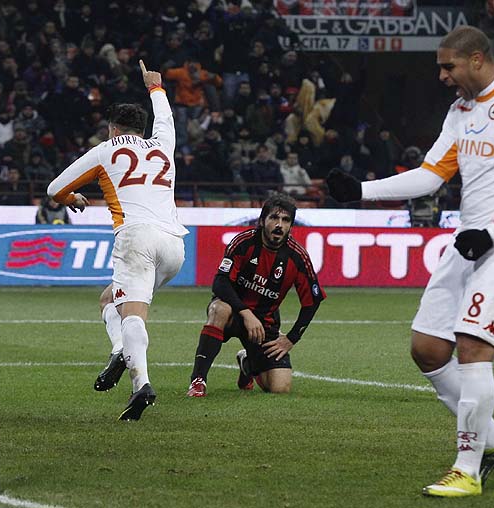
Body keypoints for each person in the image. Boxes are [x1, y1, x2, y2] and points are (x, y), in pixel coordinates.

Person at [326, 25, 494, 497]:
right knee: (428, 349)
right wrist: (363, 191)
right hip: (470, 241)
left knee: (472, 346)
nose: (442, 75)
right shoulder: (461, 111)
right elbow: (432, 175)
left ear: (476, 59)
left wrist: (491, 232)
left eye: (448, 66)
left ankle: (467, 469)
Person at [47, 60, 188, 421]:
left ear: (112, 128)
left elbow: (54, 189)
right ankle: (120, 352)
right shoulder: (162, 146)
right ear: (142, 128)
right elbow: (167, 121)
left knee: (132, 314)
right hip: (174, 244)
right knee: (109, 301)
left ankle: (141, 382)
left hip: (135, 238)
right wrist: (155, 87)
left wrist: (72, 199)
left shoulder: (104, 151)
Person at [186, 194, 323, 397]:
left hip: (265, 324)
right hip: (234, 312)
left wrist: (291, 339)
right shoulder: (244, 243)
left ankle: (247, 364)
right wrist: (246, 313)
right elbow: (220, 282)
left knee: (279, 388)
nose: (279, 225)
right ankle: (198, 380)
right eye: (274, 218)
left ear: (291, 226)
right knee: (219, 308)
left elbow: (312, 301)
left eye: (285, 221)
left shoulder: (297, 257)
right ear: (262, 220)